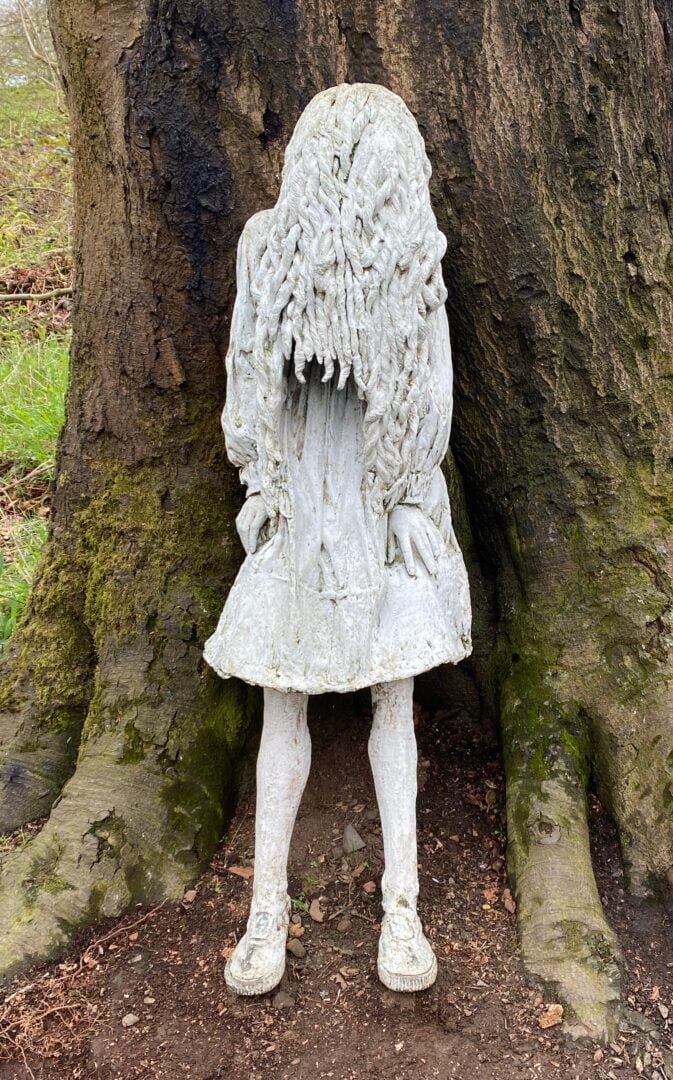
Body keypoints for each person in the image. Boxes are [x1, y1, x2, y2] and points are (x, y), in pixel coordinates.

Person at [204, 83, 472, 996]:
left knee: (394, 695)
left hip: (381, 494)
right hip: (302, 498)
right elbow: (249, 369)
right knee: (284, 695)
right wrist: (264, 482)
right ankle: (264, 907)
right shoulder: (268, 250)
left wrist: (404, 496)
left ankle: (404, 900)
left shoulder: (413, 258)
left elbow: (427, 379)